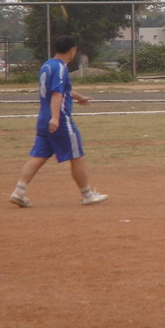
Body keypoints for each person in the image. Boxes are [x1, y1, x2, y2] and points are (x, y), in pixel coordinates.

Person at [10, 35, 108, 208]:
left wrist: (79, 97)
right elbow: (57, 94)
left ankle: (19, 192)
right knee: (76, 156)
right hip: (60, 120)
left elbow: (62, 90)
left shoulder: (47, 65)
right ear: (72, 50)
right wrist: (55, 118)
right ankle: (87, 194)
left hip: (43, 119)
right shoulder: (61, 68)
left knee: (38, 157)